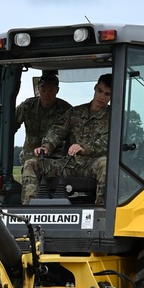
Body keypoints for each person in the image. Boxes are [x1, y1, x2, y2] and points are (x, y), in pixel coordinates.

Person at [22, 75, 112, 207]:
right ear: (95, 88)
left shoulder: (114, 116)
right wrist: (46, 146)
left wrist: (84, 148)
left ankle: (102, 210)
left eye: (107, 94)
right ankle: (29, 211)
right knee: (31, 164)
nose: (102, 97)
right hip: (69, 163)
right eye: (99, 91)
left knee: (106, 164)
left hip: (92, 164)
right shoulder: (75, 112)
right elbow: (57, 130)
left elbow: (108, 142)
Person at [14, 70, 72, 161]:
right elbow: (10, 126)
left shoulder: (66, 110)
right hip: (29, 156)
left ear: (57, 90)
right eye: (43, 90)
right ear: (38, 89)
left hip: (55, 158)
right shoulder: (27, 106)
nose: (46, 94)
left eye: (50, 90)